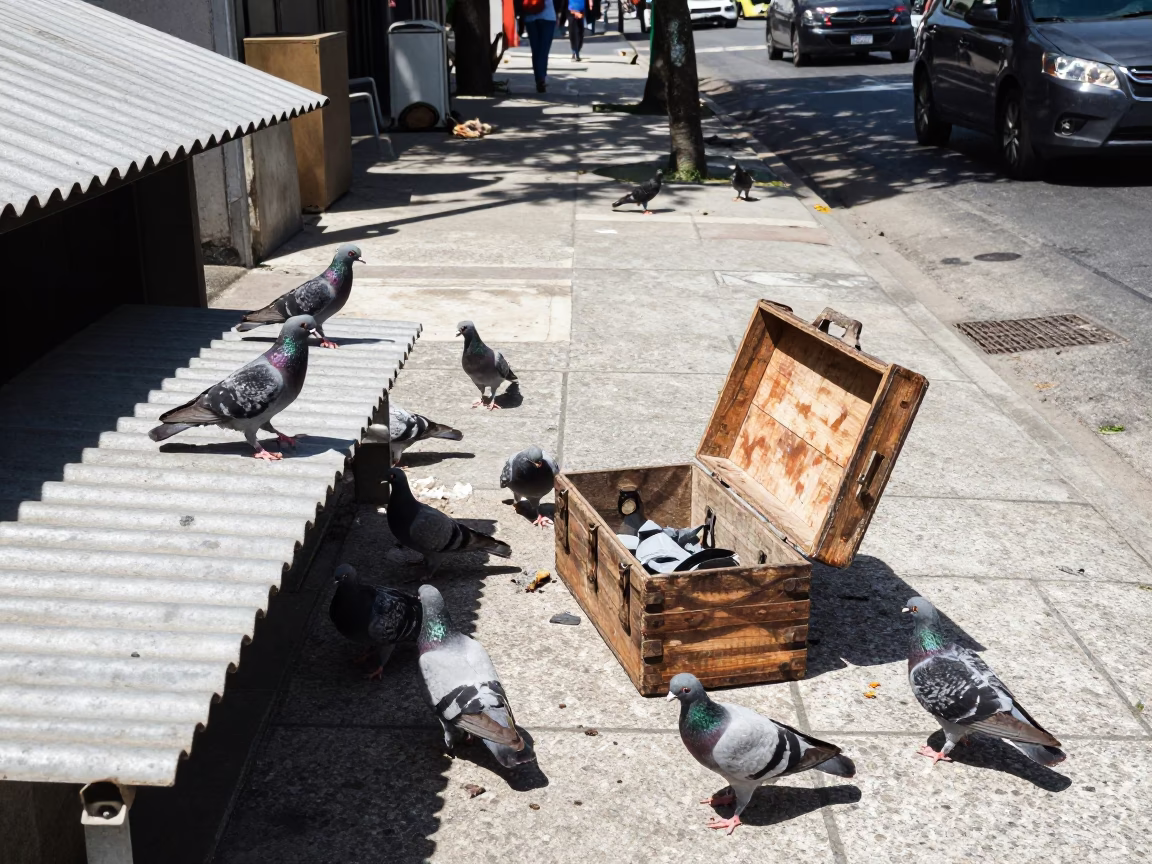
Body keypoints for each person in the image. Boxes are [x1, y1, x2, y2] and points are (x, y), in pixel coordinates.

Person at [523, 0, 557, 92]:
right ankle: (541, 78)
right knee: (544, 50)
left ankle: (539, 79)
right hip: (548, 16)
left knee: (536, 50)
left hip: (530, 16)